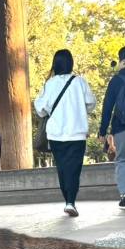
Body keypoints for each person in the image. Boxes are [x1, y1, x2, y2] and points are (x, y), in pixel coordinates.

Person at [34, 49, 95, 217]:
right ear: (70, 63)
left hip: (56, 134)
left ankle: (67, 201)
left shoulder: (49, 84)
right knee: (74, 168)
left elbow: (40, 109)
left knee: (61, 168)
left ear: (55, 64)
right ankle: (71, 202)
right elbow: (91, 103)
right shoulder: (80, 82)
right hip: (77, 133)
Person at [99, 45, 125, 210]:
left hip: (122, 127)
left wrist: (103, 130)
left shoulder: (117, 80)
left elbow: (107, 106)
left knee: (122, 160)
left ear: (123, 61)